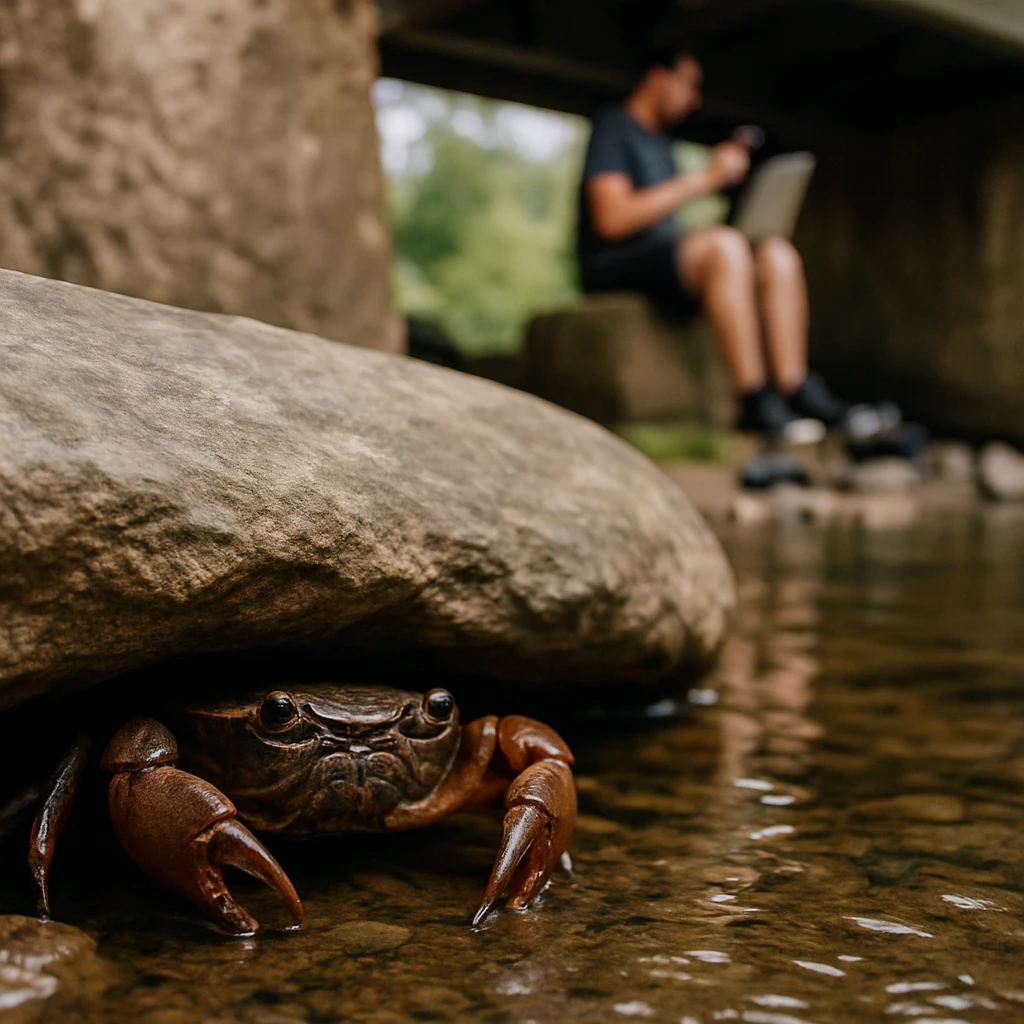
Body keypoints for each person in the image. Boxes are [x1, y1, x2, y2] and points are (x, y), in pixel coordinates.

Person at [577, 46, 850, 443]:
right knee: (725, 247)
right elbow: (612, 219)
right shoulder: (614, 126)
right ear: (659, 77)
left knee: (776, 253)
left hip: (663, 258)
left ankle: (796, 386)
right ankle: (753, 399)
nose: (695, 99)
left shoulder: (662, 142)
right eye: (690, 85)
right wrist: (705, 179)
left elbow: (665, 225)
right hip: (612, 264)